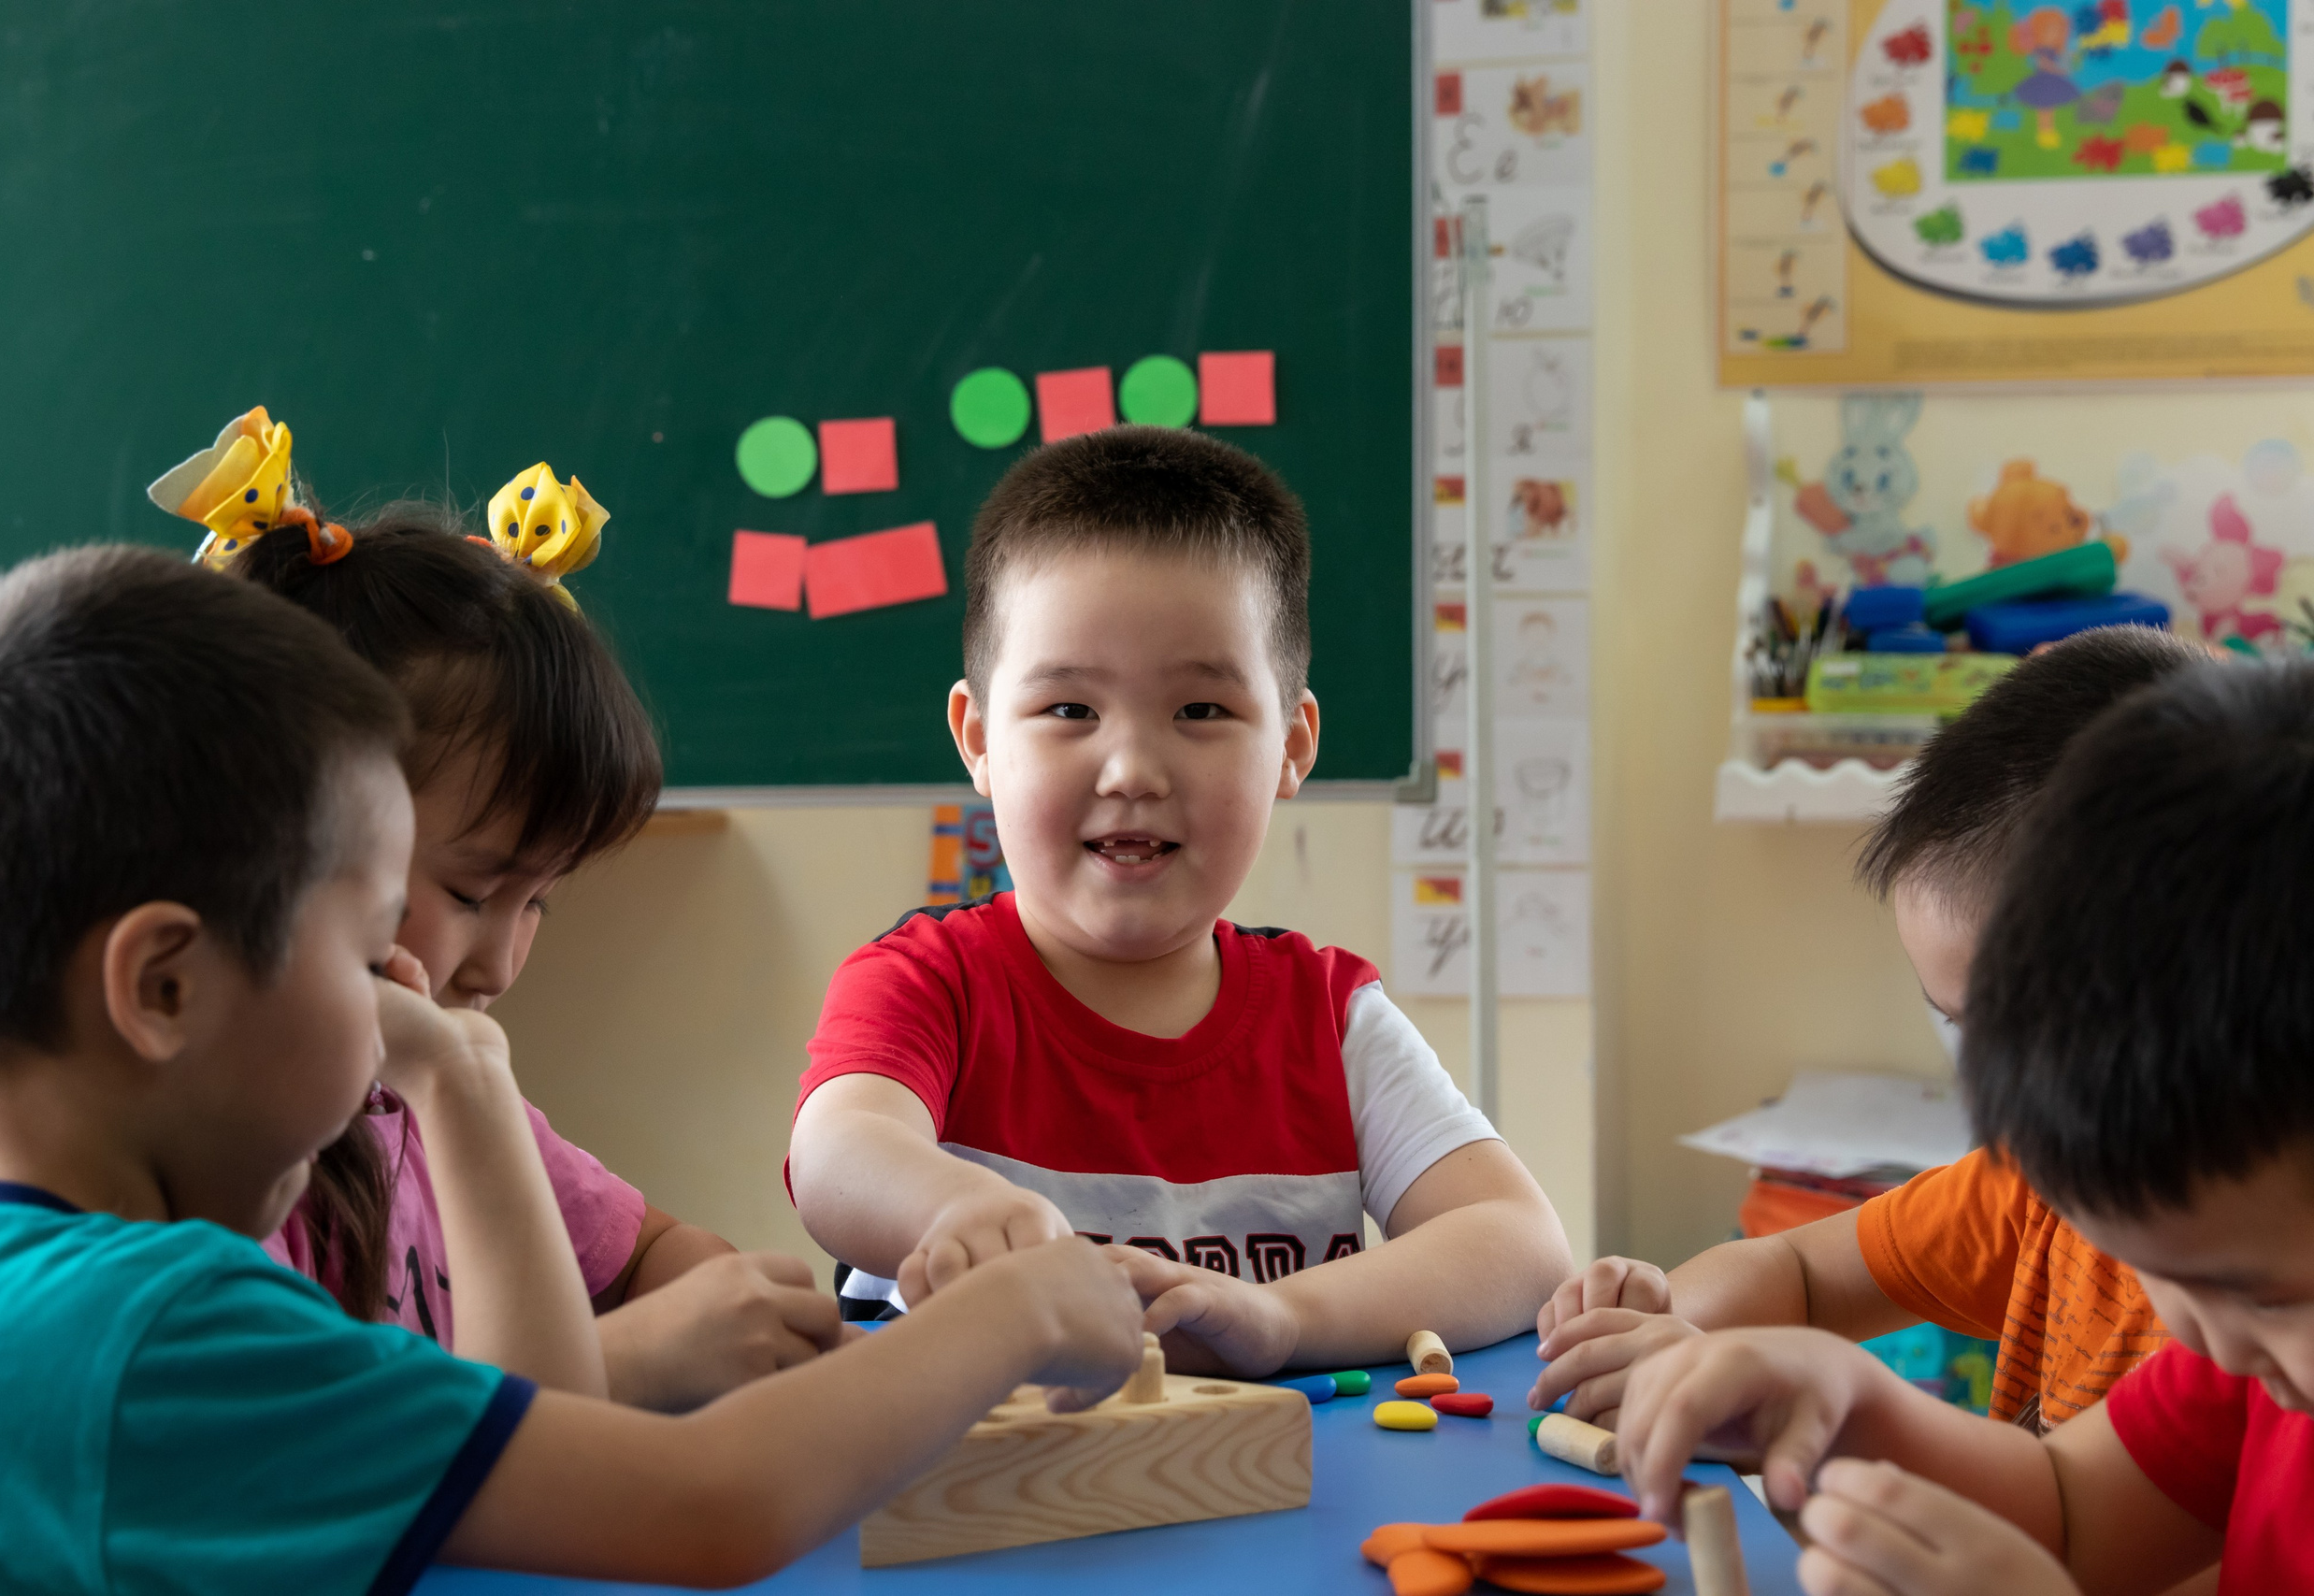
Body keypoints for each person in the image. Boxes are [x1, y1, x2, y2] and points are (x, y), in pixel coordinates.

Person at [0, 546, 1147, 1592]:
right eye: (364, 957)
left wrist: (458, 1082)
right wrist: (1022, 1305)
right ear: (164, 988)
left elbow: (533, 1420)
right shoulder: (161, 1330)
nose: (423, 1011)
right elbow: (707, 1505)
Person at [788, 426, 1572, 1376]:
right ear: (979, 738)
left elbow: (1519, 1242)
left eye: (1200, 710)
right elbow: (836, 1152)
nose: (1131, 769)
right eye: (1069, 710)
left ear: (1290, 743)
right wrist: (955, 1207)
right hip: (972, 1507)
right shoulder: (927, 983)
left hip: (1263, 1502)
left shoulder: (1329, 1019)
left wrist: (1284, 1318)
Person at [151, 407, 835, 1410]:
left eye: (539, 906)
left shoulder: (438, 1104)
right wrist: (622, 1366)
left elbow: (644, 1250)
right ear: (265, 840)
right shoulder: (226, 1167)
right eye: (473, 893)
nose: (501, 964)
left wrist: (716, 1296)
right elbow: (313, 1445)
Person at [1616, 658, 2314, 1595]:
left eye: (2266, 1298)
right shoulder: (2247, 1355)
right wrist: (1846, 1396)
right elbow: (2070, 1507)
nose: (2211, 1343)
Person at [1530, 627, 2201, 1431]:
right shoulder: (2034, 1186)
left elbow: (2077, 1516)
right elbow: (1799, 1270)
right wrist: (1670, 1322)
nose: (1986, 1081)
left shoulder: (2245, 1294)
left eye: (2021, 1031)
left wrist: (1829, 1410)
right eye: (1956, 1024)